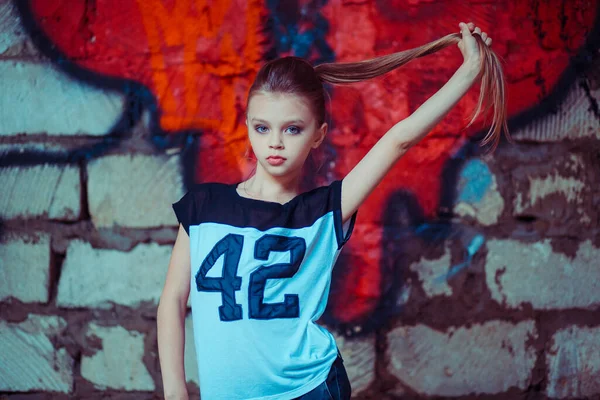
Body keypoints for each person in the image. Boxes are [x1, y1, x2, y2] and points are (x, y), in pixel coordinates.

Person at [157, 21, 507, 400]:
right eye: (262, 127)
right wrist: (176, 391)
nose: (275, 142)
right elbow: (174, 300)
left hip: (309, 390)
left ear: (318, 135)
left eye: (293, 129)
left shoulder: (324, 210)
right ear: (247, 127)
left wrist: (470, 69)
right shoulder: (204, 205)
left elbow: (399, 140)